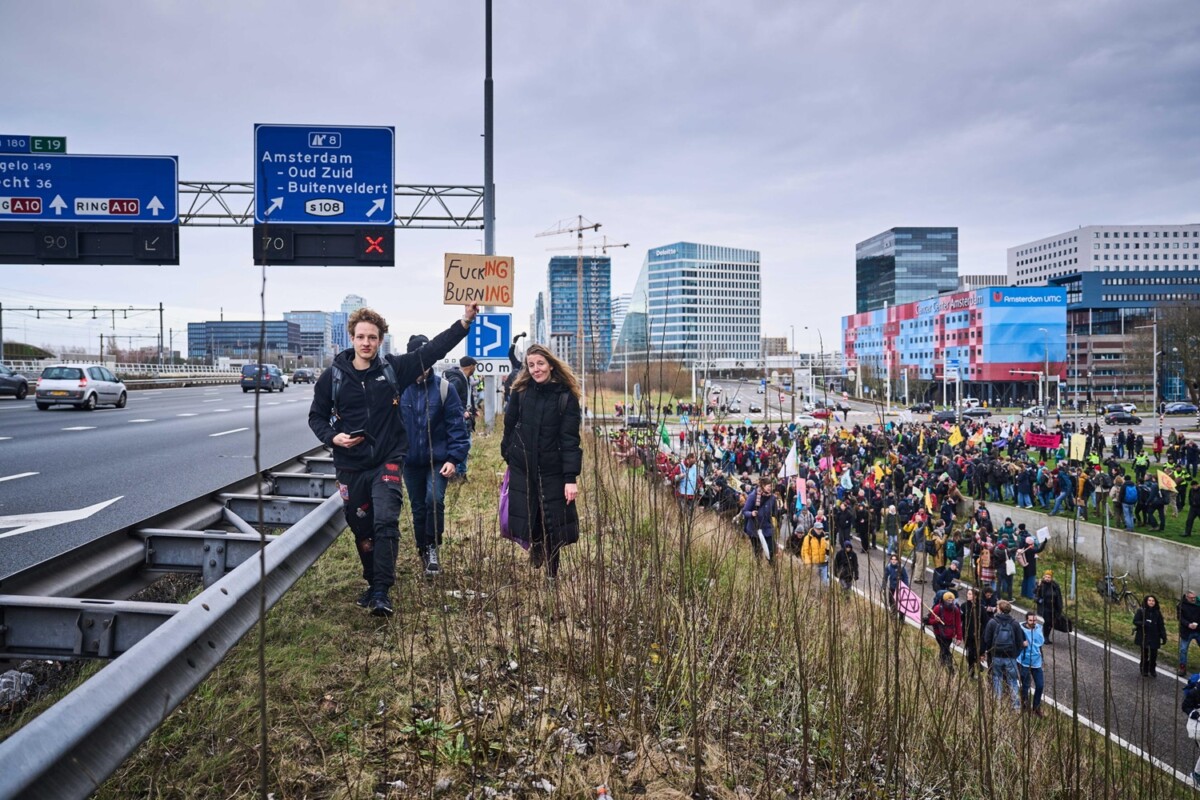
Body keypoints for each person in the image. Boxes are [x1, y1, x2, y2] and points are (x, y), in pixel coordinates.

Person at [308, 303, 478, 616]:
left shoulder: (393, 369)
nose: (366, 343)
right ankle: (372, 581)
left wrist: (464, 323)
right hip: (349, 464)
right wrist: (332, 437)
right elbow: (316, 417)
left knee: (386, 520)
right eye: (361, 337)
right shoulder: (333, 377)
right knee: (362, 527)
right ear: (352, 338)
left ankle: (383, 591)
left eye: (372, 337)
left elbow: (434, 351)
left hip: (387, 460)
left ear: (380, 340)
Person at [501, 343, 583, 581]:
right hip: (523, 468)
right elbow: (509, 424)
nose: (536, 369)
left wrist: (570, 479)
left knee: (553, 523)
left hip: (553, 470)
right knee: (531, 517)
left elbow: (570, 440)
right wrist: (509, 453)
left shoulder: (565, 397)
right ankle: (536, 544)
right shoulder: (521, 392)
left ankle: (552, 574)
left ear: (550, 364)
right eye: (531, 365)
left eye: (540, 364)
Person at [398, 336, 471, 578]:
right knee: (418, 507)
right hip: (409, 461)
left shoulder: (444, 389)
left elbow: (456, 428)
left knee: (433, 500)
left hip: (438, 460)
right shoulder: (399, 389)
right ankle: (422, 547)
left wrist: (454, 459)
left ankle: (432, 548)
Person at [983, 599, 1026, 709]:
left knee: (997, 678)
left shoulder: (992, 622)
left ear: (1000, 609)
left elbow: (986, 639)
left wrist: (990, 652)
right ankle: (1016, 706)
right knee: (1013, 681)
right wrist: (1015, 654)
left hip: (996, 655)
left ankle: (998, 705)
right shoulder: (1015, 624)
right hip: (1010, 656)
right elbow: (1020, 642)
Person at [442, 355, 477, 479]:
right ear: (470, 366)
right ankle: (458, 474)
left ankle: (461, 473)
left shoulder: (465, 379)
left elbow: (466, 397)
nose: (475, 370)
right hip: (460, 418)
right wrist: (462, 411)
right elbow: (451, 399)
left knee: (466, 444)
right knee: (463, 444)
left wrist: (473, 409)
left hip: (465, 417)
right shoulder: (457, 380)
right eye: (475, 367)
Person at [1017, 610, 1046, 716]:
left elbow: (1040, 645)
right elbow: (1015, 640)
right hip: (1024, 661)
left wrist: (1042, 659)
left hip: (1036, 661)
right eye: (1031, 620)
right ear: (1026, 620)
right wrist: (1021, 643)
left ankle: (1036, 708)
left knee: (1040, 685)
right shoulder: (1020, 628)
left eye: (1035, 620)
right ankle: (1024, 706)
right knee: (1025, 685)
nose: (1033, 622)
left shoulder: (1039, 629)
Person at [743, 476, 779, 562]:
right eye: (768, 486)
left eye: (771, 486)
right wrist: (751, 513)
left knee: (771, 552)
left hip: (767, 527)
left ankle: (773, 570)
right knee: (758, 552)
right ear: (763, 485)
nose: (770, 488)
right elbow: (744, 511)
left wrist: (783, 511)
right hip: (754, 529)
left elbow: (775, 513)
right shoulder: (753, 496)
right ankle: (759, 570)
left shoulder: (772, 498)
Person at [926, 591, 963, 672]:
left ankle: (940, 665)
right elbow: (930, 621)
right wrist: (936, 620)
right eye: (948, 601)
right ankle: (951, 669)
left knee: (944, 650)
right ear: (944, 600)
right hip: (939, 633)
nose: (950, 603)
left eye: (951, 601)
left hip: (950, 635)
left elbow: (958, 624)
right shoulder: (937, 608)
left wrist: (959, 637)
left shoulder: (956, 610)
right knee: (945, 650)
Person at [1133, 595, 1168, 677]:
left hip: (1155, 635)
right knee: (1144, 654)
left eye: (1153, 601)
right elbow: (1135, 621)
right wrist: (1144, 623)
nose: (1151, 602)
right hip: (1144, 635)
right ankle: (1144, 669)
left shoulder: (1157, 612)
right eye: (1149, 600)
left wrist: (1163, 636)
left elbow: (1161, 625)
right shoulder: (1141, 611)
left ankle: (1152, 669)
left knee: (1154, 654)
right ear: (1146, 601)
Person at [1034, 571, 1064, 645]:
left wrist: (1059, 607)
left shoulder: (1055, 586)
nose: (1047, 579)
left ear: (1051, 578)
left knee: (1051, 622)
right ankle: (1045, 637)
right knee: (1047, 621)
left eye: (1049, 577)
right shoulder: (1040, 585)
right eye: (1046, 577)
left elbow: (1059, 596)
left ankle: (1046, 636)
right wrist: (1039, 600)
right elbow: (1035, 595)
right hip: (1045, 607)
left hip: (1053, 607)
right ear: (1044, 577)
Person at [1180, 589, 1200, 676]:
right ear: (1187, 597)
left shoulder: (1199, 604)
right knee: (1183, 650)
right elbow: (1180, 618)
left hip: (1198, 630)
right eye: (1191, 598)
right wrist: (1188, 624)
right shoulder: (1181, 605)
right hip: (1186, 631)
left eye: (1194, 598)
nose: (1193, 599)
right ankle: (1182, 668)